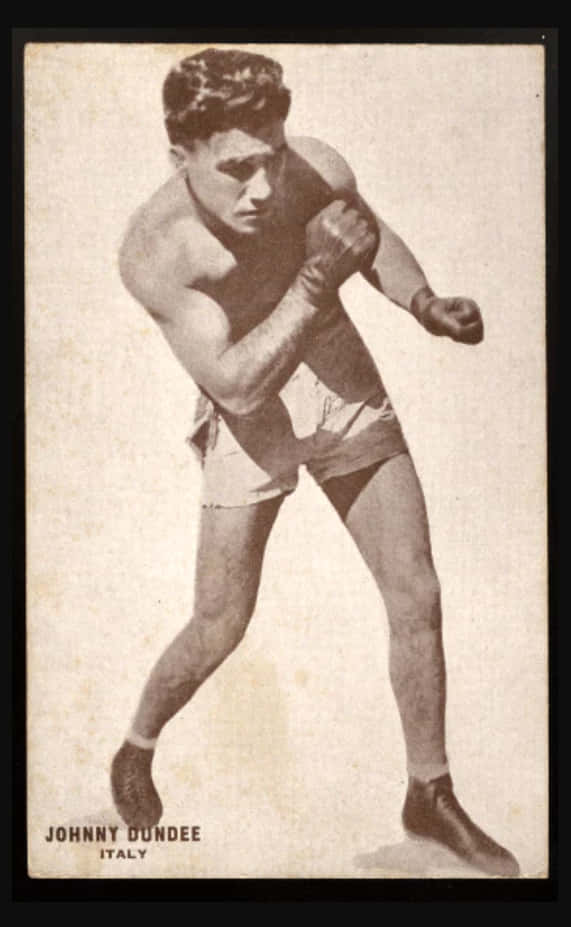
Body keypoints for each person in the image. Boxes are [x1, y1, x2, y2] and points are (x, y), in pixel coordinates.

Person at [112, 47, 519, 877]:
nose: (263, 187)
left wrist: (421, 301)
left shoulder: (312, 167)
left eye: (271, 156)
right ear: (180, 156)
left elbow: (364, 233)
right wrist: (312, 279)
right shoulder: (156, 250)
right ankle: (136, 743)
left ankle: (429, 790)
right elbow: (235, 385)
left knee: (415, 589)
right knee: (220, 622)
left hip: (335, 367)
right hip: (250, 405)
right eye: (235, 168)